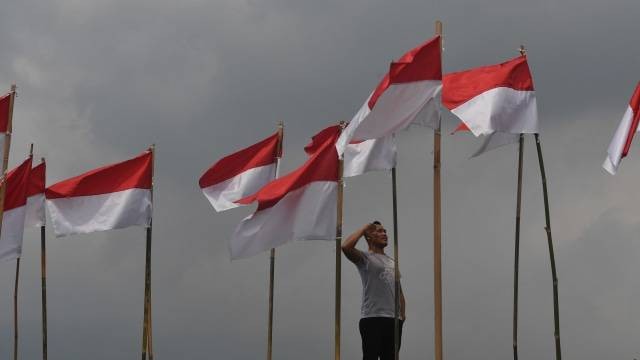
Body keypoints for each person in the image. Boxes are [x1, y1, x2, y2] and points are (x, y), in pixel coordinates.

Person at [342, 221, 405, 360]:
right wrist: (365, 227)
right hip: (373, 317)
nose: (384, 234)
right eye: (379, 231)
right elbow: (346, 247)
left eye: (385, 231)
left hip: (393, 320)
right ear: (369, 236)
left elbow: (399, 290)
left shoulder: (392, 262)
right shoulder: (365, 258)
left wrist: (402, 317)